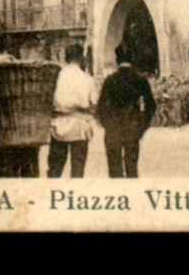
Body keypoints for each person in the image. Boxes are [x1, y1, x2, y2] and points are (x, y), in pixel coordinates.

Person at [96, 46, 158, 178]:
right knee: (132, 168)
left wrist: (108, 125)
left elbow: (100, 107)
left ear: (117, 59)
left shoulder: (110, 80)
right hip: (132, 128)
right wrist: (142, 126)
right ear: (132, 59)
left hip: (113, 129)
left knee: (114, 170)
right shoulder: (140, 80)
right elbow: (151, 106)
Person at [48, 43, 97, 179]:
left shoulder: (56, 76)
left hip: (59, 125)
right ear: (81, 58)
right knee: (77, 171)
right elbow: (94, 103)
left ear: (66, 58)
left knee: (54, 170)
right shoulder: (87, 79)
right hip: (80, 126)